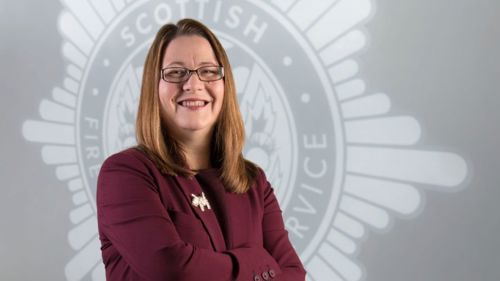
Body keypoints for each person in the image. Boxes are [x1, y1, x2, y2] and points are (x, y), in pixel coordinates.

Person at [97, 18, 306, 281]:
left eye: (208, 71)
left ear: (224, 83)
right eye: (175, 72)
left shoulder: (254, 182)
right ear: (154, 88)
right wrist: (256, 262)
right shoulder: (125, 174)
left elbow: (294, 274)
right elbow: (172, 269)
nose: (193, 84)